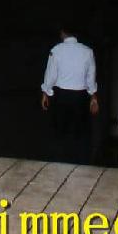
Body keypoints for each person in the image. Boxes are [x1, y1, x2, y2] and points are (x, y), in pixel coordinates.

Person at [40, 25, 98, 164]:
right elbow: (91, 77)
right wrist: (93, 97)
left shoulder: (56, 50)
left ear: (62, 33)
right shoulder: (87, 51)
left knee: (60, 132)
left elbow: (51, 74)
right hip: (80, 96)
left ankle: (59, 163)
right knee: (80, 133)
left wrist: (46, 92)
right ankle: (80, 164)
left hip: (62, 96)